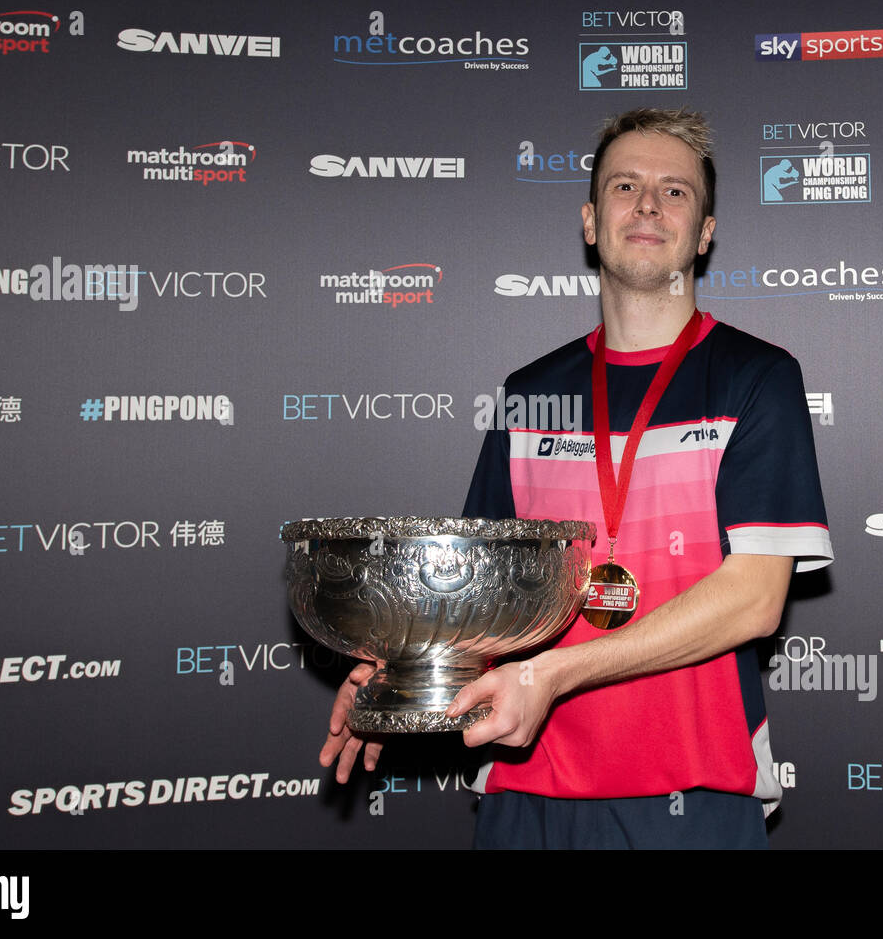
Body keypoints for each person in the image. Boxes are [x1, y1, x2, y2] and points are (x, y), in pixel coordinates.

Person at [321, 108, 832, 848]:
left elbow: (753, 600)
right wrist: (397, 676)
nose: (649, 205)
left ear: (706, 232)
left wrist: (553, 676)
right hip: (527, 788)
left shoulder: (757, 379)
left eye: (676, 191)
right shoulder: (530, 392)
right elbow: (475, 598)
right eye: (626, 185)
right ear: (591, 222)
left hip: (694, 795)